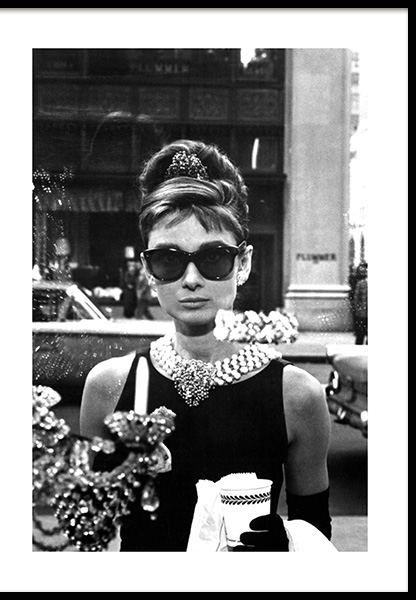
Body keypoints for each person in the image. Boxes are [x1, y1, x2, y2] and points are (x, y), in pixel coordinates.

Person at [80, 140, 332, 552]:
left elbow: (317, 535)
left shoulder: (297, 395)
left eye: (214, 258)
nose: (192, 279)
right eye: (169, 260)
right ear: (148, 270)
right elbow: (90, 536)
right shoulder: (108, 385)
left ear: (243, 263)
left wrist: (285, 540)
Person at [353, 261, 368, 344]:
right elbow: (356, 299)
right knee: (360, 334)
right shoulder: (361, 283)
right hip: (362, 313)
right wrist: (358, 311)